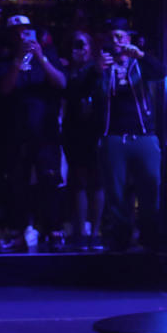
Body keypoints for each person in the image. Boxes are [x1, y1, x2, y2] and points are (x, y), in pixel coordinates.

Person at [97, 20, 167, 252]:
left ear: (128, 38)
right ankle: (120, 237)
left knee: (150, 186)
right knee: (115, 192)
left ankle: (149, 236)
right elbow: (79, 89)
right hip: (114, 137)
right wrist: (97, 69)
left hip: (143, 136)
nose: (117, 41)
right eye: (113, 37)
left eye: (122, 36)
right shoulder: (101, 65)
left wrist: (141, 55)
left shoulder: (139, 64)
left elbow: (161, 72)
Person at [0, 14, 66, 251]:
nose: (21, 35)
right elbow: (4, 89)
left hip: (45, 133)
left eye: (26, 30)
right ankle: (18, 231)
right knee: (16, 183)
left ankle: (53, 230)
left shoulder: (47, 55)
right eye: (16, 31)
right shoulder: (4, 58)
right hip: (14, 134)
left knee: (49, 180)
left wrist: (40, 57)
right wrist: (17, 61)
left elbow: (61, 83)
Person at [62, 30, 105, 250]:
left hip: (94, 130)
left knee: (96, 180)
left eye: (83, 45)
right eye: (76, 46)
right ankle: (80, 231)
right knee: (77, 180)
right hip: (73, 130)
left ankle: (95, 232)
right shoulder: (66, 70)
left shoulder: (97, 69)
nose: (80, 50)